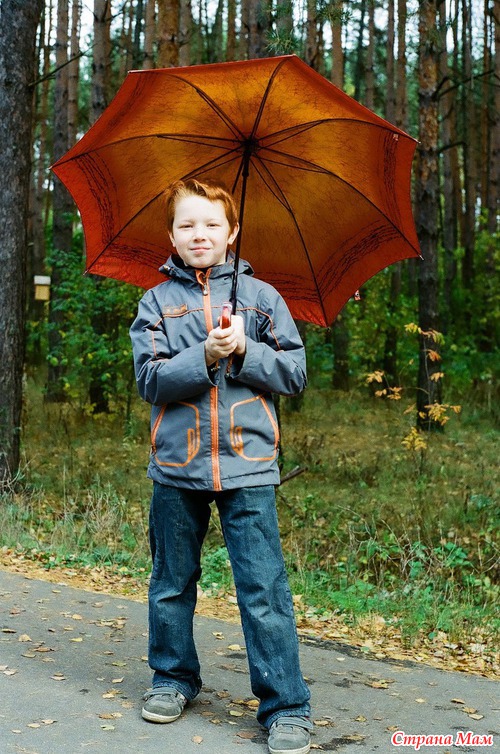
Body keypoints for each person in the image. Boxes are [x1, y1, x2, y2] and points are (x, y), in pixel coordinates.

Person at [130, 178, 312, 754]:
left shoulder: (262, 299)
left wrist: (245, 350)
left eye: (212, 224)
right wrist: (203, 355)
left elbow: (294, 373)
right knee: (171, 582)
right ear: (171, 236)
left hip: (247, 465)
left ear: (233, 232)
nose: (199, 234)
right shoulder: (156, 303)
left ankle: (285, 706)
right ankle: (172, 678)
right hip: (177, 466)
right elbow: (149, 380)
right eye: (186, 225)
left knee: (263, 589)